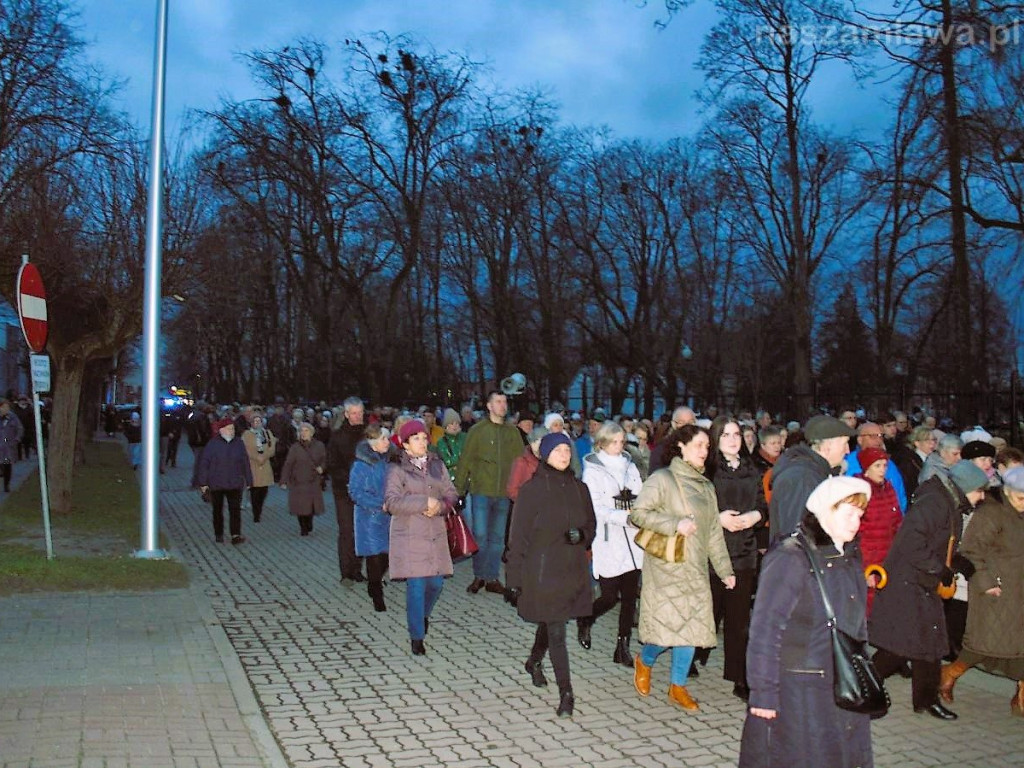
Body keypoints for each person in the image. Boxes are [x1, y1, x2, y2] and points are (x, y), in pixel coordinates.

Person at [738, 476, 874, 768]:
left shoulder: (849, 555)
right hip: (801, 688)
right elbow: (765, 629)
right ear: (825, 510)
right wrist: (763, 693)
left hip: (842, 682)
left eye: (860, 514)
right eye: (848, 513)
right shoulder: (791, 556)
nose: (856, 522)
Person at [869, 460, 988, 720]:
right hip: (907, 582)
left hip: (922, 581)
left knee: (930, 642)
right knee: (900, 646)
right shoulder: (934, 503)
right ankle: (862, 686)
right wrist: (939, 568)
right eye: (979, 490)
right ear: (966, 486)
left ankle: (926, 699)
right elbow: (911, 543)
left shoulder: (949, 503)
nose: (981, 497)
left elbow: (940, 544)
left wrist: (956, 564)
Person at [629, 425, 735, 712]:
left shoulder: (707, 486)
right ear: (681, 447)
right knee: (669, 626)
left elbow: (713, 533)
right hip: (667, 565)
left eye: (707, 446)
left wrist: (725, 570)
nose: (704, 451)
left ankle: (678, 686)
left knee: (693, 627)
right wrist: (675, 523)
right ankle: (645, 660)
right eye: (699, 445)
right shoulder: (662, 479)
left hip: (696, 566)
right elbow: (638, 514)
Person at [506, 432, 597, 718]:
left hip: (572, 569)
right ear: (544, 455)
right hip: (543, 570)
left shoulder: (580, 488)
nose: (564, 455)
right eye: (557, 450)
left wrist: (582, 535)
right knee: (558, 630)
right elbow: (518, 537)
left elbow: (592, 525)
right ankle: (566, 693)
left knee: (552, 620)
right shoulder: (532, 490)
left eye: (567, 450)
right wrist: (514, 579)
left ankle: (534, 660)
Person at [940, 466, 1024, 715]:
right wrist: (987, 583)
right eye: (1021, 498)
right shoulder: (991, 513)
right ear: (1008, 492)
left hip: (1019, 590)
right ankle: (950, 673)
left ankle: (1020, 697)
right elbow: (971, 551)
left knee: (1019, 646)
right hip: (996, 591)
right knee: (982, 646)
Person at [702, 417, 766, 700]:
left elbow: (762, 505)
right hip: (713, 552)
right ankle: (695, 652)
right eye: (726, 434)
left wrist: (755, 516)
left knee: (739, 620)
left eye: (737, 434)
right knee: (709, 612)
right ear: (716, 438)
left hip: (743, 552)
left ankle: (740, 677)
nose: (732, 440)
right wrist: (718, 519)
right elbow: (693, 509)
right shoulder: (706, 470)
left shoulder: (751, 469)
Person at [384, 419, 458, 656]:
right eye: (416, 438)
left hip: (435, 534)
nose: (423, 442)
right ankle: (417, 636)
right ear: (405, 444)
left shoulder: (437, 464)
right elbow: (392, 502)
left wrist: (441, 507)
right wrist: (424, 502)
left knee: (435, 585)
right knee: (416, 588)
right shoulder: (397, 468)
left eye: (425, 438)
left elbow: (451, 494)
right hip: (410, 536)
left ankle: (422, 615)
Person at [579, 421, 645, 667]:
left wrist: (639, 513)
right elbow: (595, 508)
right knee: (609, 596)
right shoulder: (593, 471)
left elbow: (640, 494)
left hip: (633, 538)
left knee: (629, 597)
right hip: (609, 537)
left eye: (621, 442)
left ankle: (622, 646)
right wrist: (622, 517)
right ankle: (586, 618)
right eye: (613, 442)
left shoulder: (630, 465)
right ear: (602, 443)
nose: (618, 446)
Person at [455, 391, 524, 595]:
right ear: (489, 405)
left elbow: (521, 462)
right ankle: (479, 575)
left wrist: (522, 489)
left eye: (505, 401)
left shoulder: (512, 432)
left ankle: (492, 578)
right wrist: (459, 490)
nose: (503, 405)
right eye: (498, 401)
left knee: (498, 539)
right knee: (480, 536)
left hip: (504, 493)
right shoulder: (477, 431)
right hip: (481, 491)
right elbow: (466, 460)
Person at [768, 414, 855, 542]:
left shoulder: (815, 472)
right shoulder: (802, 479)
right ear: (827, 446)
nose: (847, 451)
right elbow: (795, 535)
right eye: (844, 443)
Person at [348, 425, 394, 612]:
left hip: (388, 517)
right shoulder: (361, 465)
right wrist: (378, 504)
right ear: (372, 441)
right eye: (383, 439)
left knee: (387, 556)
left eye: (388, 438)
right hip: (369, 518)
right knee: (375, 556)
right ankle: (376, 591)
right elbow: (355, 491)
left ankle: (375, 583)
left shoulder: (389, 461)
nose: (387, 442)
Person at [854, 446, 902, 616]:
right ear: (867, 468)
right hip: (869, 557)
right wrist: (865, 567)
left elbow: (898, 523)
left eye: (884, 465)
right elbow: (857, 534)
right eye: (877, 466)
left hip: (889, 557)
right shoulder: (859, 491)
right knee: (869, 608)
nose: (882, 470)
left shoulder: (888, 488)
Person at [326, 397, 367, 581]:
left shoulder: (367, 435)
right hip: (344, 490)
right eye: (354, 413)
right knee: (346, 530)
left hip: (365, 491)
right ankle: (346, 572)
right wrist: (349, 480)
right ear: (347, 414)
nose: (358, 416)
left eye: (360, 412)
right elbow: (332, 464)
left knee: (361, 530)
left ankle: (357, 569)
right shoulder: (337, 436)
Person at [197, 418, 252, 544]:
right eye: (229, 429)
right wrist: (203, 482)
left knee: (235, 510)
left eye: (233, 429)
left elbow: (245, 462)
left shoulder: (239, 443)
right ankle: (219, 533)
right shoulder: (213, 444)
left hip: (234, 482)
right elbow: (204, 463)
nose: (232, 431)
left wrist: (249, 480)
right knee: (217, 510)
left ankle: (235, 534)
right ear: (221, 430)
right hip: (217, 483)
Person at [844, 422, 907, 512]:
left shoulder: (889, 463)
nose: (878, 440)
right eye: (873, 436)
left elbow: (900, 495)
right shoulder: (848, 464)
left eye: (880, 436)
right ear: (860, 440)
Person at [280, 421, 327, 536]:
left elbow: (325, 459)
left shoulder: (319, 445)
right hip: (298, 481)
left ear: (311, 433)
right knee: (300, 506)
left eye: (306, 431)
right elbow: (288, 464)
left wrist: (322, 467)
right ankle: (303, 527)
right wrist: (283, 480)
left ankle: (309, 524)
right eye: (301, 431)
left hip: (313, 480)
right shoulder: (295, 447)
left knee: (311, 505)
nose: (303, 433)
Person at [242, 412, 277, 523]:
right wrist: (256, 457)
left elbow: (272, 448)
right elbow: (245, 449)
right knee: (255, 490)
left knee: (263, 490)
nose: (257, 423)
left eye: (259, 421)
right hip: (253, 465)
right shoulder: (247, 434)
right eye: (255, 421)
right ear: (251, 423)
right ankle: (256, 513)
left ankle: (259, 508)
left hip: (265, 465)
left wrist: (265, 456)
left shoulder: (267, 433)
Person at [891, 425, 937, 498]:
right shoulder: (909, 461)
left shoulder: (934, 459)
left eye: (933, 440)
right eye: (927, 440)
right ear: (917, 443)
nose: (932, 443)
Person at [648, 406, 696, 472]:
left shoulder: (701, 447)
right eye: (681, 422)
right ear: (673, 424)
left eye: (690, 422)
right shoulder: (663, 448)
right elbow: (656, 473)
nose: (687, 426)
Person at [434, 408, 465, 482]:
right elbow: (446, 461)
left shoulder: (465, 437)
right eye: (451, 423)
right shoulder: (441, 442)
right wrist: (461, 459)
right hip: (451, 478)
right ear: (446, 425)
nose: (455, 426)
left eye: (456, 423)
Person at [0, 400, 24, 491]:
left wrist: (17, 439)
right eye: (4, 407)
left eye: (7, 407)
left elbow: (20, 428)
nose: (6, 409)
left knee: (7, 466)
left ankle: (6, 485)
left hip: (8, 448)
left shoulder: (12, 417)